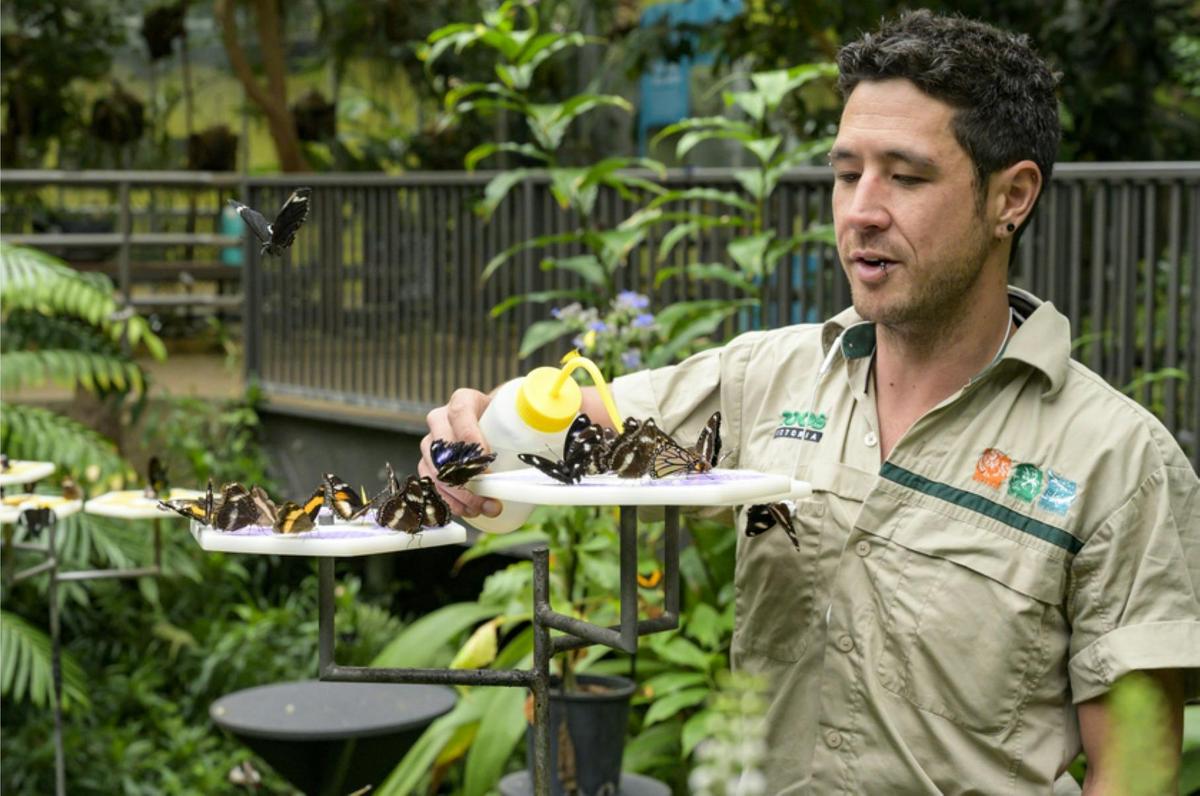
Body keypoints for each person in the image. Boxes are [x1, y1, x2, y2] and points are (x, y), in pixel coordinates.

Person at [421, 10, 1199, 794]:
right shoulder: (767, 378)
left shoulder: (1117, 462)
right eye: (845, 171)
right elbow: (568, 422)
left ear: (1012, 198)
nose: (861, 208)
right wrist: (475, 432)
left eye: (906, 175)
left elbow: (1138, 771)